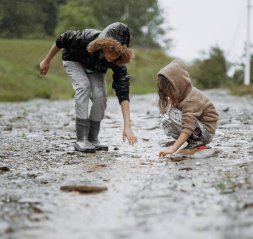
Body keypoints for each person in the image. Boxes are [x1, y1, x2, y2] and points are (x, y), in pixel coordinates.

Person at [39, 22, 137, 153]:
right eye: (111, 50)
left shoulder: (116, 61)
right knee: (84, 87)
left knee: (100, 97)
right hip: (73, 60)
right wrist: (46, 61)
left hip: (96, 68)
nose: (113, 56)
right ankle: (81, 138)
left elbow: (123, 91)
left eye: (117, 53)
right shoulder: (84, 38)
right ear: (103, 44)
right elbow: (62, 39)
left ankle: (92, 138)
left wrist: (127, 126)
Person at [157, 59, 219, 157]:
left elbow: (189, 124)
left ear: (178, 84)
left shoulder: (192, 99)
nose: (166, 93)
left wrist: (173, 148)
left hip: (206, 132)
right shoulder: (181, 96)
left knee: (173, 113)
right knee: (166, 121)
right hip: (198, 128)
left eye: (168, 89)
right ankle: (191, 140)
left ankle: (197, 142)